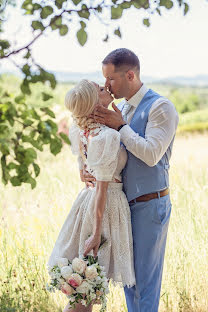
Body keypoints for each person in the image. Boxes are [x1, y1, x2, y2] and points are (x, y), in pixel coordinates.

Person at [86, 48, 179, 312]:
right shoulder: (122, 108)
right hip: (124, 208)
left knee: (146, 286)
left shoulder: (161, 107)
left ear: (130, 74)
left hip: (150, 206)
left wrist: (121, 126)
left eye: (110, 79)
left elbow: (150, 154)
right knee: (130, 283)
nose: (106, 85)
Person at [48, 79, 135, 312]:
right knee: (86, 294)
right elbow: (102, 190)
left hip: (90, 201)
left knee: (87, 292)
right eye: (99, 89)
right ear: (95, 103)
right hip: (104, 208)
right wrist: (97, 234)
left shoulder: (81, 128)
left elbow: (82, 161)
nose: (105, 88)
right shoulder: (106, 136)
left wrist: (82, 172)